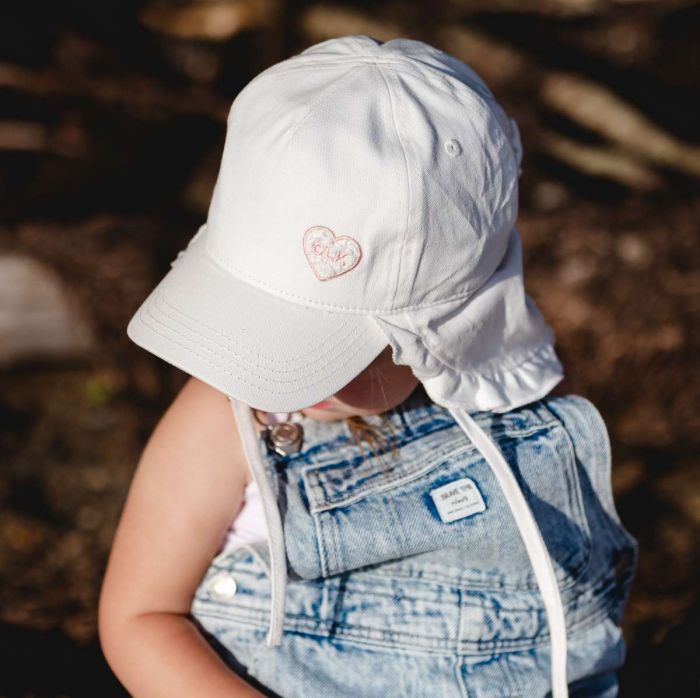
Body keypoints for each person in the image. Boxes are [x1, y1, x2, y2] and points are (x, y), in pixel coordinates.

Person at [97, 35, 637, 697]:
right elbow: (140, 614)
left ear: (448, 326)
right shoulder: (227, 414)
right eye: (259, 322)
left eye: (324, 345)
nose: (276, 370)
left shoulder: (525, 416)